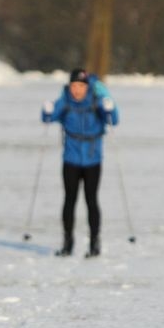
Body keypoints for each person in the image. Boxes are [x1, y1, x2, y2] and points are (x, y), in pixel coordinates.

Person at [41, 68, 119, 258]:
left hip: (93, 159)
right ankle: (68, 242)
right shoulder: (65, 101)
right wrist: (47, 110)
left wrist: (110, 108)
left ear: (87, 87)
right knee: (69, 200)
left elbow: (113, 120)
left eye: (81, 86)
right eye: (74, 86)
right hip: (71, 159)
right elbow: (48, 118)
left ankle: (94, 243)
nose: (77, 90)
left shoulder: (96, 100)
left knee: (91, 200)